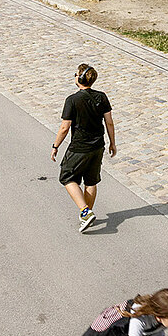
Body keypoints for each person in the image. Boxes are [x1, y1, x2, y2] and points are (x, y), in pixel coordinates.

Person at [53, 64, 115, 234]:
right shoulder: (102, 97)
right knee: (91, 181)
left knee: (66, 176)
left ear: (79, 78)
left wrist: (55, 146)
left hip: (79, 147)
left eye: (76, 74)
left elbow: (65, 127)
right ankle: (87, 215)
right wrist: (112, 143)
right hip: (98, 146)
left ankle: (86, 212)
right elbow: (109, 122)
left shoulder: (72, 100)